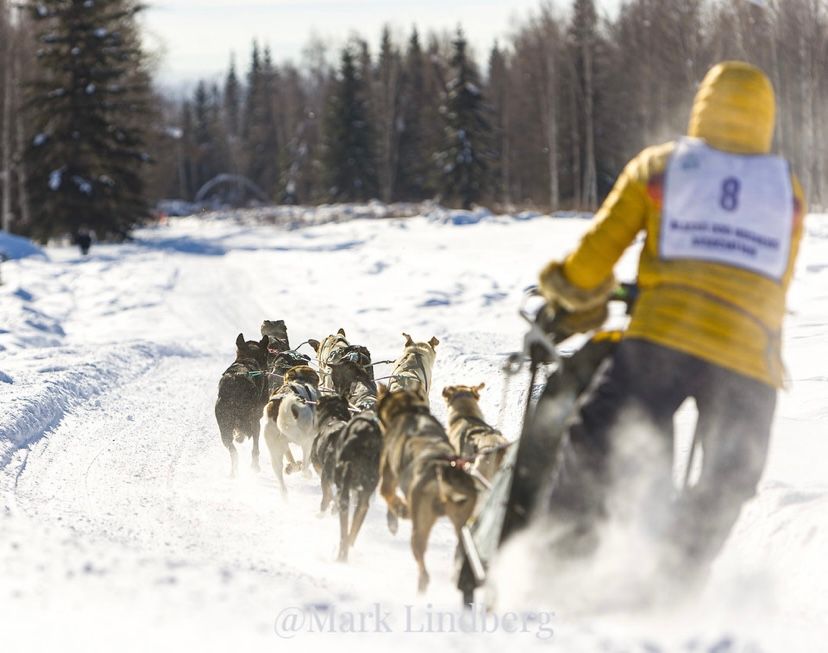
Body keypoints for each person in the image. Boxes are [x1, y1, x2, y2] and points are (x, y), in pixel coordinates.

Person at [536, 61, 806, 578]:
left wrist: (571, 297)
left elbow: (591, 264)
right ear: (766, 118)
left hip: (662, 344)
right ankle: (672, 580)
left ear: (702, 106)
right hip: (749, 359)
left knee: (596, 438)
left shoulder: (662, 168)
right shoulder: (787, 190)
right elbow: (776, 283)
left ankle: (555, 567)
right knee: (728, 477)